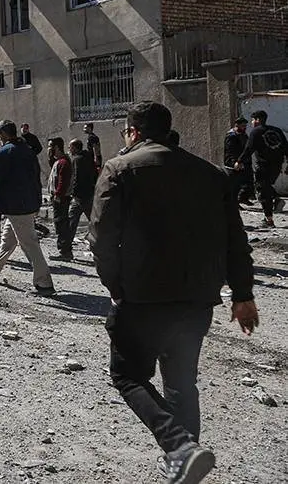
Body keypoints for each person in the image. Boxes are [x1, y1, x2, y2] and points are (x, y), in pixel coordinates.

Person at [90, 101, 258, 484]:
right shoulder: (210, 174)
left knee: (128, 376)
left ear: (133, 132)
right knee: (181, 382)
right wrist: (242, 294)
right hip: (196, 299)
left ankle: (180, 447)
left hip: (141, 298)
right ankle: (185, 460)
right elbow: (235, 239)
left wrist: (115, 287)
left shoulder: (119, 169)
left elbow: (101, 240)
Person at [0, 120, 55, 296]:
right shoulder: (27, 150)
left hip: (16, 205)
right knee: (8, 240)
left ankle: (44, 283)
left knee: (29, 243)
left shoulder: (4, 153)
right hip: (26, 203)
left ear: (3, 134)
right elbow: (36, 176)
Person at [235, 109, 288, 228]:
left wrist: (239, 161)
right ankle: (276, 201)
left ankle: (269, 219)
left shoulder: (256, 132)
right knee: (267, 187)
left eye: (253, 120)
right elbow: (286, 148)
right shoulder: (277, 131)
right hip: (276, 166)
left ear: (258, 120)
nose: (252, 123)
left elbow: (249, 149)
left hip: (263, 166)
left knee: (262, 191)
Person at [64, 139, 96, 253]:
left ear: (75, 148)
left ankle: (66, 250)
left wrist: (72, 192)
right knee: (93, 221)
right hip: (88, 194)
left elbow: (76, 178)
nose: (69, 149)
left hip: (79, 196)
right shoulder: (88, 157)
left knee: (71, 222)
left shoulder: (77, 160)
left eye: (70, 147)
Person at [47, 137, 73, 260]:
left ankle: (65, 252)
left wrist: (58, 195)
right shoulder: (59, 161)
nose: (49, 149)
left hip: (61, 199)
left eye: (51, 146)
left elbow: (63, 181)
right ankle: (64, 250)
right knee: (60, 223)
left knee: (61, 224)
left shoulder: (64, 162)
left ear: (56, 147)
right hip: (59, 198)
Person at [223, 116, 252, 205]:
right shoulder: (231, 136)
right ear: (237, 125)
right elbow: (230, 151)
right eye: (243, 126)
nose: (245, 128)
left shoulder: (243, 135)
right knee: (235, 184)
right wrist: (235, 162)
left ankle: (243, 198)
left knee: (247, 181)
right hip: (234, 163)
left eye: (245, 126)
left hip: (243, 161)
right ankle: (234, 203)